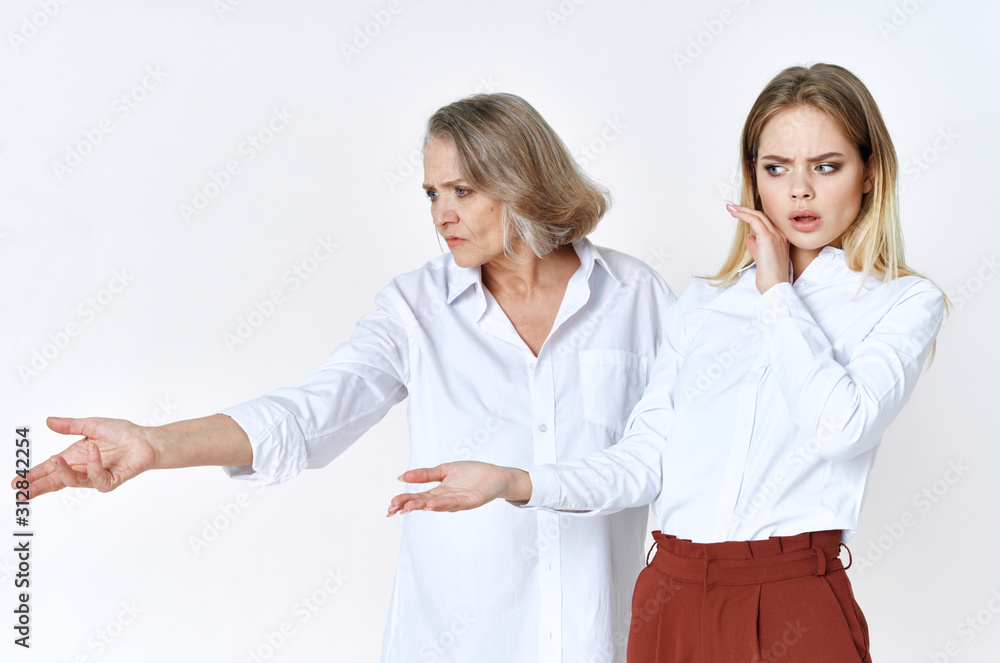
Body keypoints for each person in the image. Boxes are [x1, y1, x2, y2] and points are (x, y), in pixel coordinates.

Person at [18, 93, 676, 663]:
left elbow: (670, 458)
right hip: (456, 643)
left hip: (602, 638)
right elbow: (310, 414)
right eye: (431, 194)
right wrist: (158, 444)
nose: (440, 213)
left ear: (521, 178)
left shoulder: (637, 296)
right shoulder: (415, 309)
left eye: (462, 191)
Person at [389, 64, 946, 662]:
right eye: (776, 168)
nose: (799, 190)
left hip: (793, 597)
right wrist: (517, 482)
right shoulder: (705, 305)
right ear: (753, 177)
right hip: (671, 598)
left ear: (870, 174)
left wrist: (777, 293)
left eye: (826, 166)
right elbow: (642, 462)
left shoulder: (902, 302)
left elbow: (841, 428)